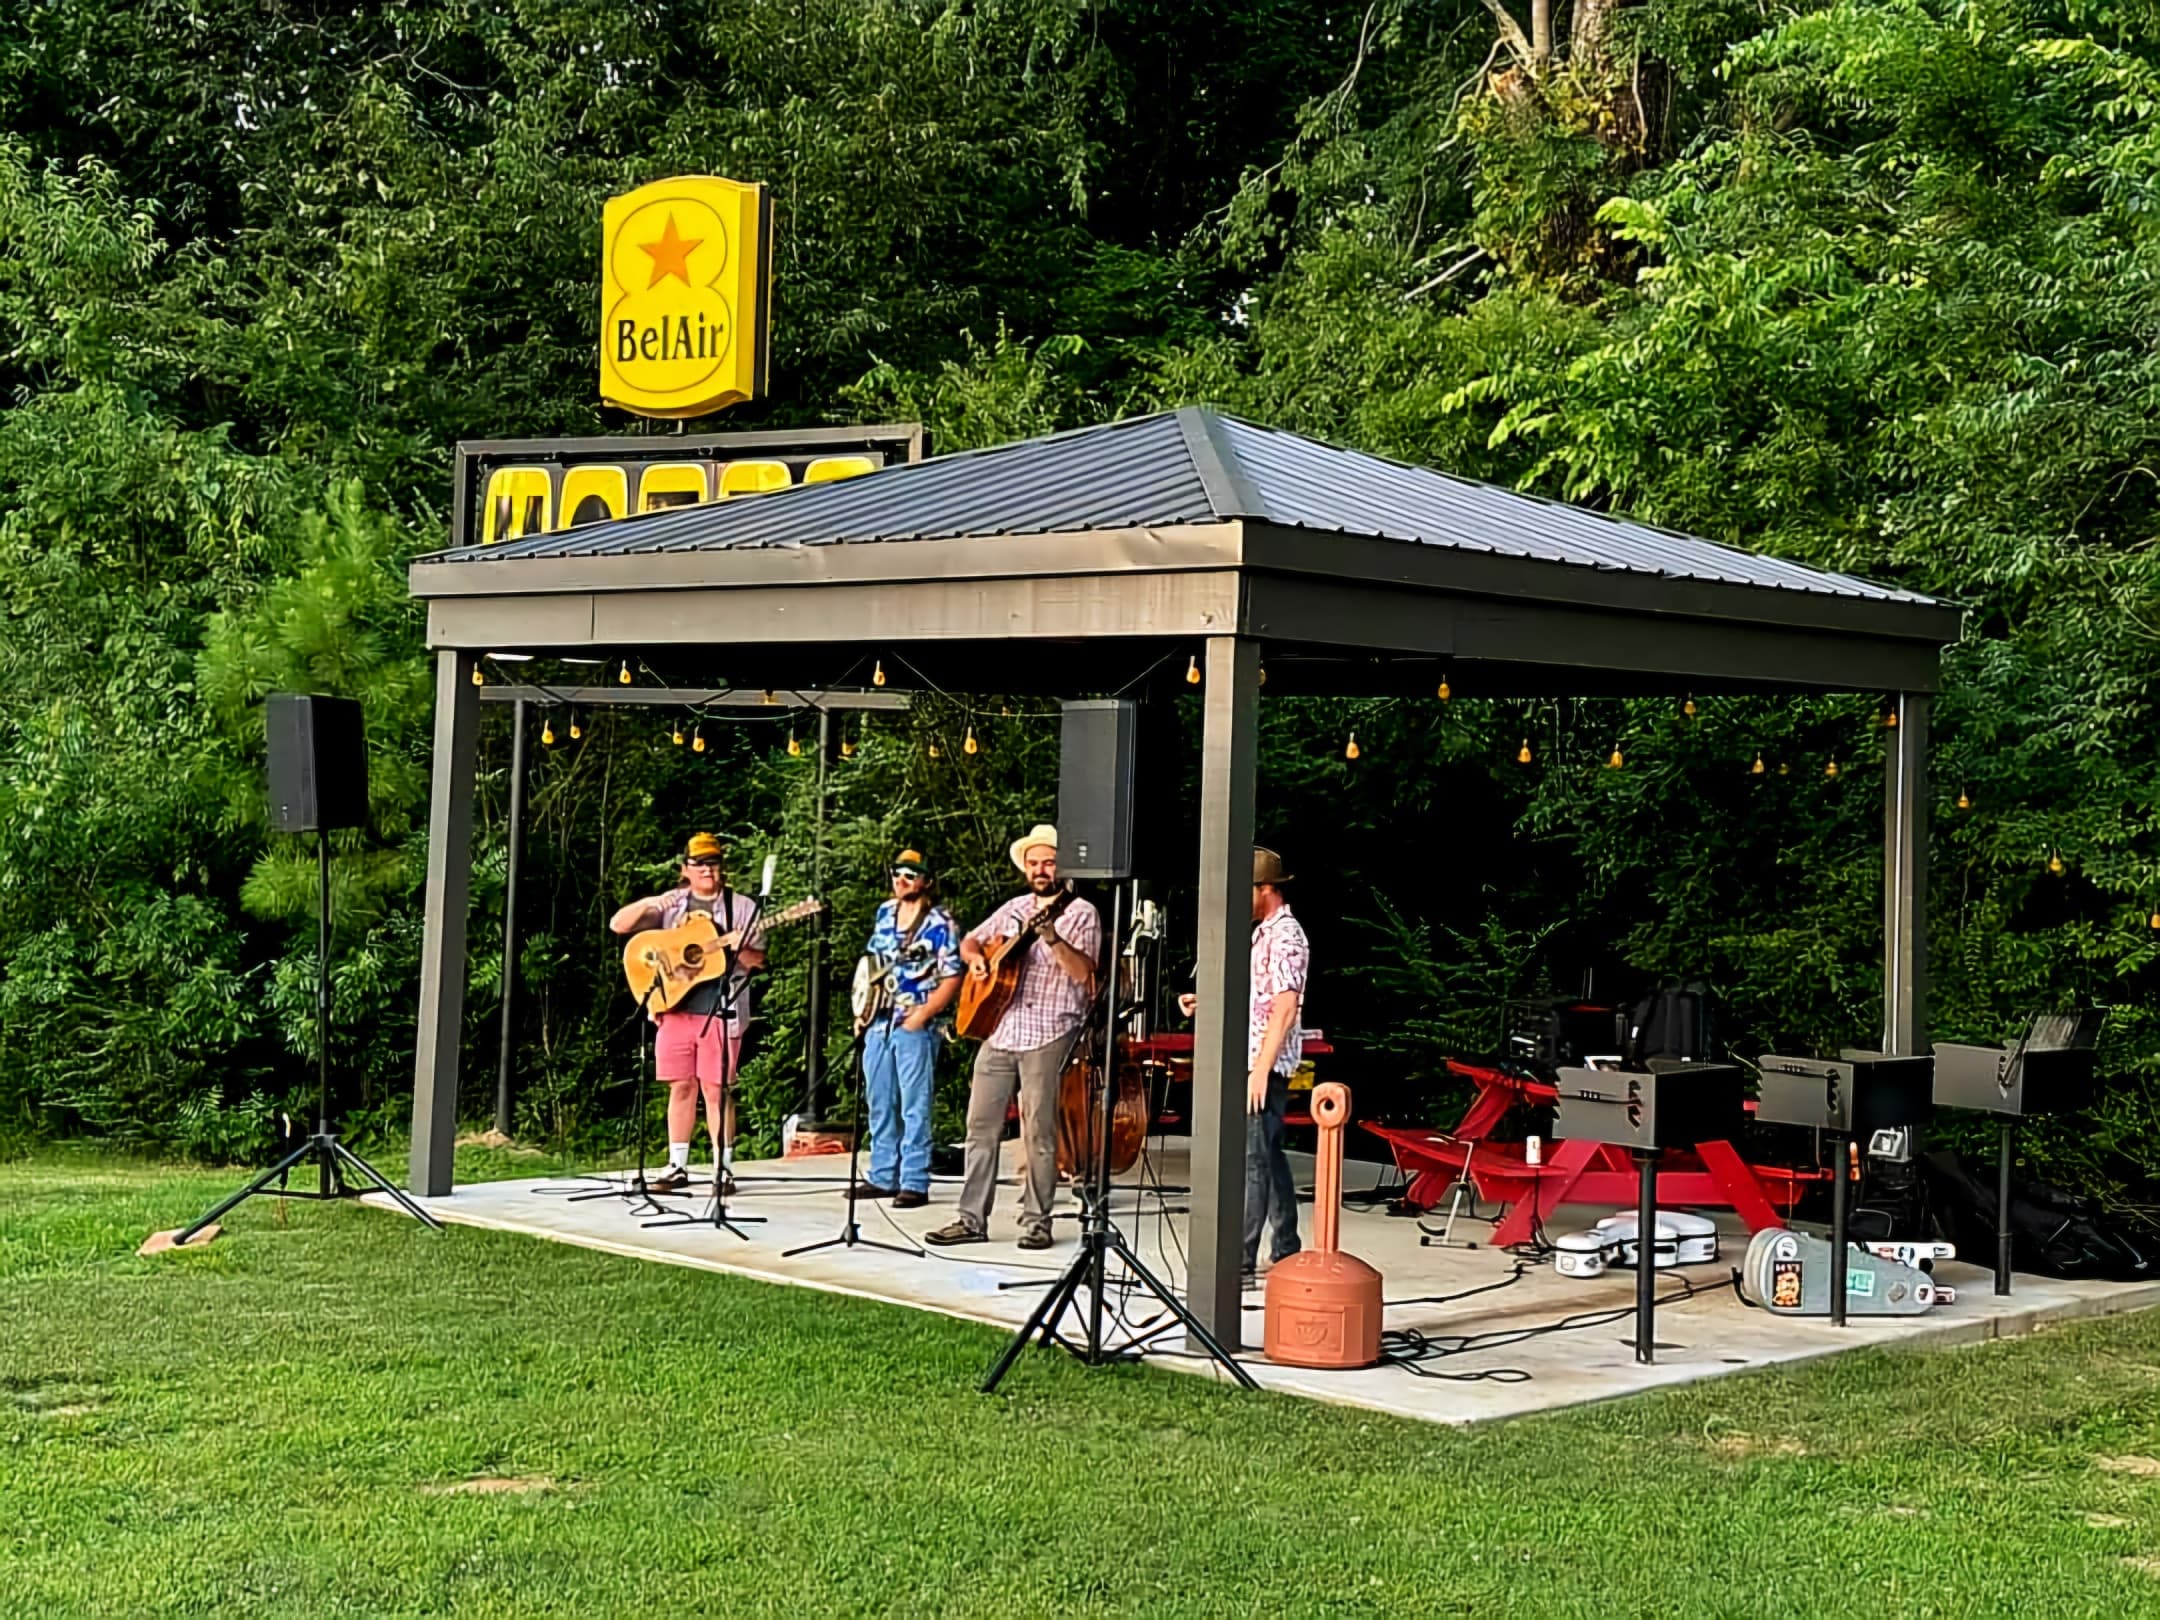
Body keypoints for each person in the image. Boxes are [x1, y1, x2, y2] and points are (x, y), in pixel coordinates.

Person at [926, 823, 1100, 1251]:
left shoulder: (1081, 913)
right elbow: (971, 940)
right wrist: (975, 963)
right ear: (1025, 868)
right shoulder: (1014, 906)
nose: (1041, 869)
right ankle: (971, 1218)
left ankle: (1037, 1221)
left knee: (1038, 1131)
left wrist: (1051, 937)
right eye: (1034, 862)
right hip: (1002, 1028)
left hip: (1051, 1030)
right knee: (979, 1126)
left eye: (1049, 861)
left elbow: (1086, 976)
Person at [1178, 846, 1311, 1285]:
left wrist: (1260, 1068)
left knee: (1252, 1159)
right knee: (1267, 1154)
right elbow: (1253, 998)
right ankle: (1287, 1246)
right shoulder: (1260, 934)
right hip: (1250, 1058)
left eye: (1244, 891)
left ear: (1266, 889)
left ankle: (1240, 1260)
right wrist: (1208, 1002)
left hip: (1262, 1064)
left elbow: (1285, 1008)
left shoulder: (1286, 936)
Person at [608, 832, 766, 1194]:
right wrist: (653, 901)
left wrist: (736, 946)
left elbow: (758, 962)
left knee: (716, 1089)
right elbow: (619, 924)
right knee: (681, 1087)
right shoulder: (672, 905)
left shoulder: (741, 907)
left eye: (713, 862)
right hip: (674, 1009)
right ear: (686, 869)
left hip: (721, 1011)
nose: (707, 870)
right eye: (699, 864)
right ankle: (676, 1165)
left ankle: (721, 1169)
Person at [854, 849, 963, 1209]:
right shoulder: (885, 913)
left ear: (926, 881)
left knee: (914, 1104)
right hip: (879, 1019)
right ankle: (883, 1174)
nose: (901, 880)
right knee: (879, 1099)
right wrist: (862, 1009)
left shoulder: (940, 922)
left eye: (910, 874)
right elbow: (871, 965)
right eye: (897, 873)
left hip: (915, 1021)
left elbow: (951, 975)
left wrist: (924, 1013)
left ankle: (915, 1179)